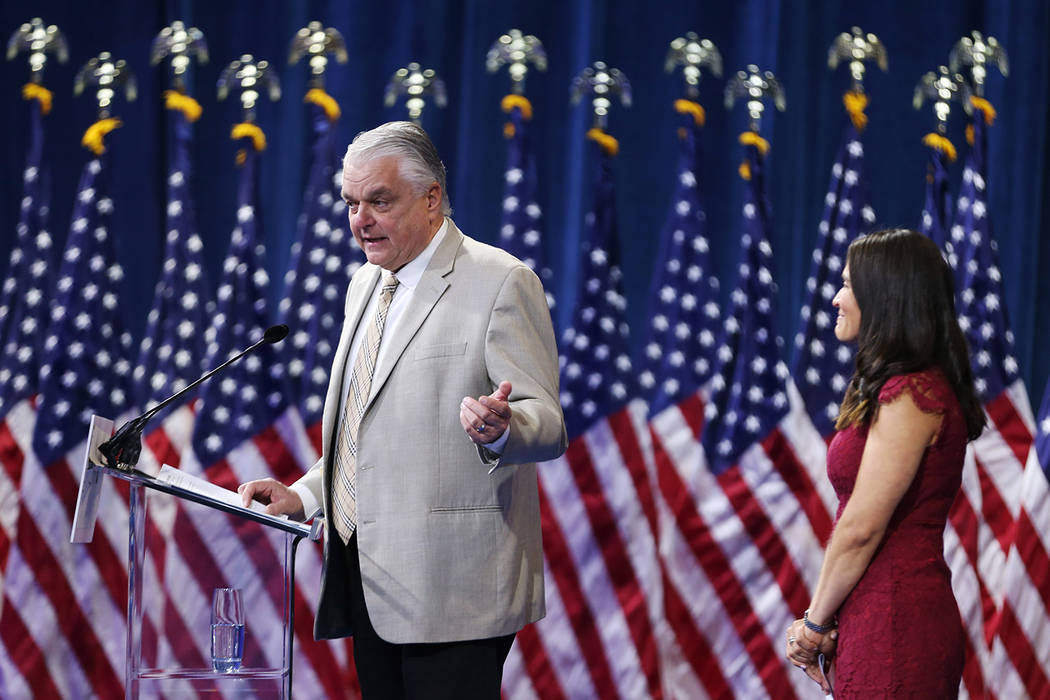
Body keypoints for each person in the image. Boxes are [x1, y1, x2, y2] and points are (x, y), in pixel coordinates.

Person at [239, 121, 567, 699]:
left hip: (455, 588)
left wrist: (501, 430)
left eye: (379, 202)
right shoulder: (366, 284)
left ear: (431, 198)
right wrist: (307, 494)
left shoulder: (501, 281)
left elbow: (548, 423)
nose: (359, 220)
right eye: (351, 203)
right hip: (371, 577)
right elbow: (364, 423)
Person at [784, 228, 986, 697]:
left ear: (885, 296)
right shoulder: (898, 388)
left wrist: (813, 625)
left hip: (896, 622)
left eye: (849, 285)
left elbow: (862, 527)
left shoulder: (913, 394)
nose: (836, 298)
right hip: (871, 615)